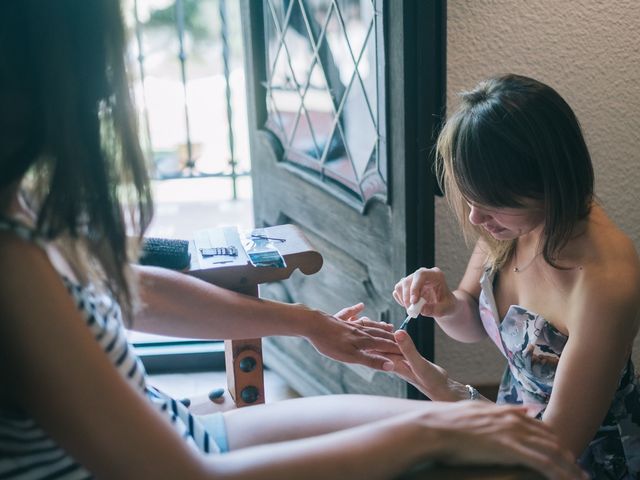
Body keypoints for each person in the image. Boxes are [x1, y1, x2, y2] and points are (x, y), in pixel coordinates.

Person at [0, 3, 586, 479]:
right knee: (447, 446)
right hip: (184, 457)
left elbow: (134, 290)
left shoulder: (19, 208)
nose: (107, 91)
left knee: (455, 438)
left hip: (181, 427)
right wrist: (430, 422)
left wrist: (310, 323)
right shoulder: (12, 268)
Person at [383, 74, 640, 478]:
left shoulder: (606, 280)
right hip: (508, 426)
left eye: (491, 204)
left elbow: (555, 446)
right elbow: (473, 322)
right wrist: (446, 303)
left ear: (548, 180)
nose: (475, 218)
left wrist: (445, 390)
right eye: (470, 198)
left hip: (581, 462)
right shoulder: (511, 225)